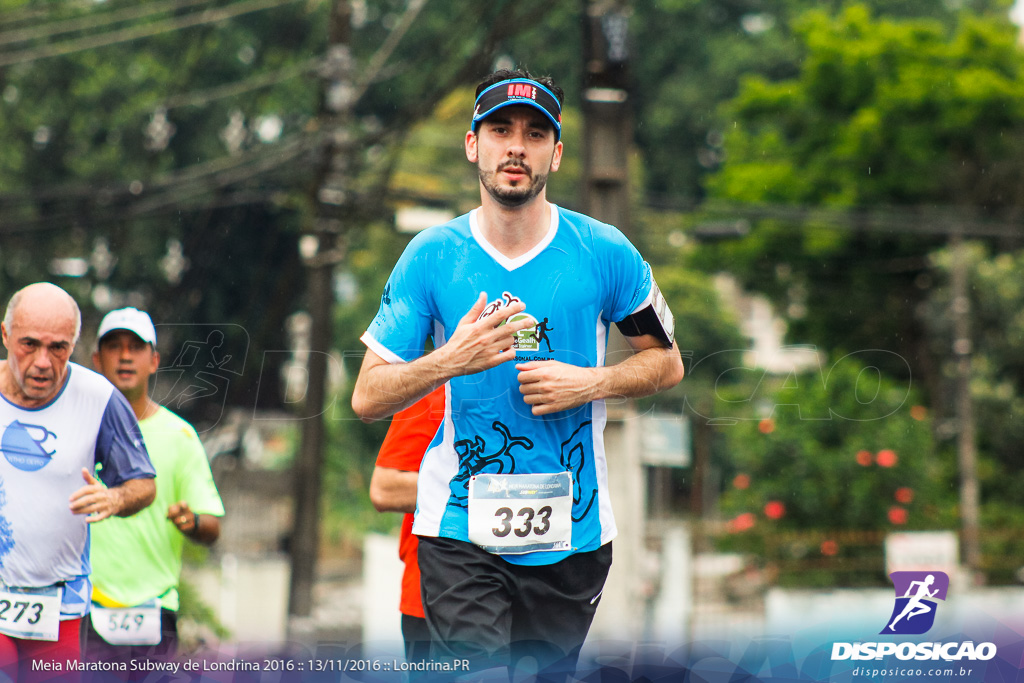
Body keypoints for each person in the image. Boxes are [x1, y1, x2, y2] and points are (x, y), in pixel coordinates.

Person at [351, 69, 685, 681]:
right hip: (457, 529)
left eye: (535, 135)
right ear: (473, 144)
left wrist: (592, 382)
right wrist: (451, 359)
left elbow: (667, 362)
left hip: (572, 534)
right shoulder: (432, 255)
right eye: (500, 129)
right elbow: (367, 396)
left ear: (555, 155)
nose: (515, 146)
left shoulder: (604, 251)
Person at [0, 283, 156, 681]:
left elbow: (142, 482)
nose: (42, 362)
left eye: (58, 348)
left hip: (60, 602)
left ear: (74, 344)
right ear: (5, 335)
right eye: (29, 344)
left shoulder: (99, 398)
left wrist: (115, 498)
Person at [82, 307, 225, 667]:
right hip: (84, 605)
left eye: (136, 346)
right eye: (114, 346)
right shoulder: (76, 427)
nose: (125, 355)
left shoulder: (180, 436)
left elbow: (212, 526)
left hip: (154, 608)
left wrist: (190, 521)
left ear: (154, 360)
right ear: (97, 359)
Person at [369, 387, 445, 671]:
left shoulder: (552, 388)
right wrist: (488, 490)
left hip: (537, 586)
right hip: (433, 598)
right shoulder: (437, 394)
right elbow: (384, 489)